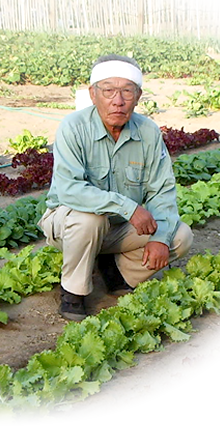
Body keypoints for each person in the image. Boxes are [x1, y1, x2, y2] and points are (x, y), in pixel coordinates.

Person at [38, 54, 193, 321]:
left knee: (179, 236)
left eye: (126, 92)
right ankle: (73, 292)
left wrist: (159, 239)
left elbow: (162, 191)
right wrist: (129, 207)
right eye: (108, 90)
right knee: (90, 219)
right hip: (69, 224)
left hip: (118, 227)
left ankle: (116, 271)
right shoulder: (73, 128)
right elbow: (69, 190)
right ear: (93, 93)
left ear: (138, 95)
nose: (117, 101)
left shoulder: (148, 132)